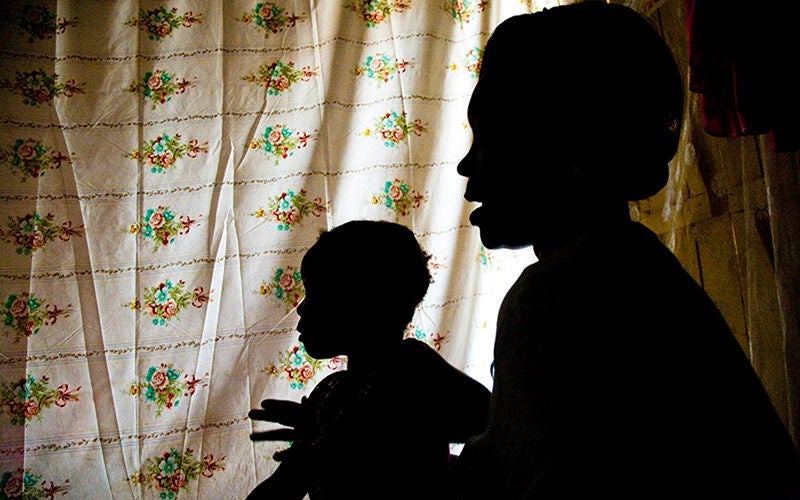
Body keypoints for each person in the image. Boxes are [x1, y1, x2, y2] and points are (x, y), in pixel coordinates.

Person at [450, 2, 800, 499]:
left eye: (489, 134)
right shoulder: (629, 269)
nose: (467, 165)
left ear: (567, 148)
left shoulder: (565, 295)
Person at [247, 219, 491, 500]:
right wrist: (319, 438)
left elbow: (497, 425)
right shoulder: (330, 393)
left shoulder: (413, 368)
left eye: (315, 293)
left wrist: (354, 430)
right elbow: (288, 482)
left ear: (357, 306)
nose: (301, 308)